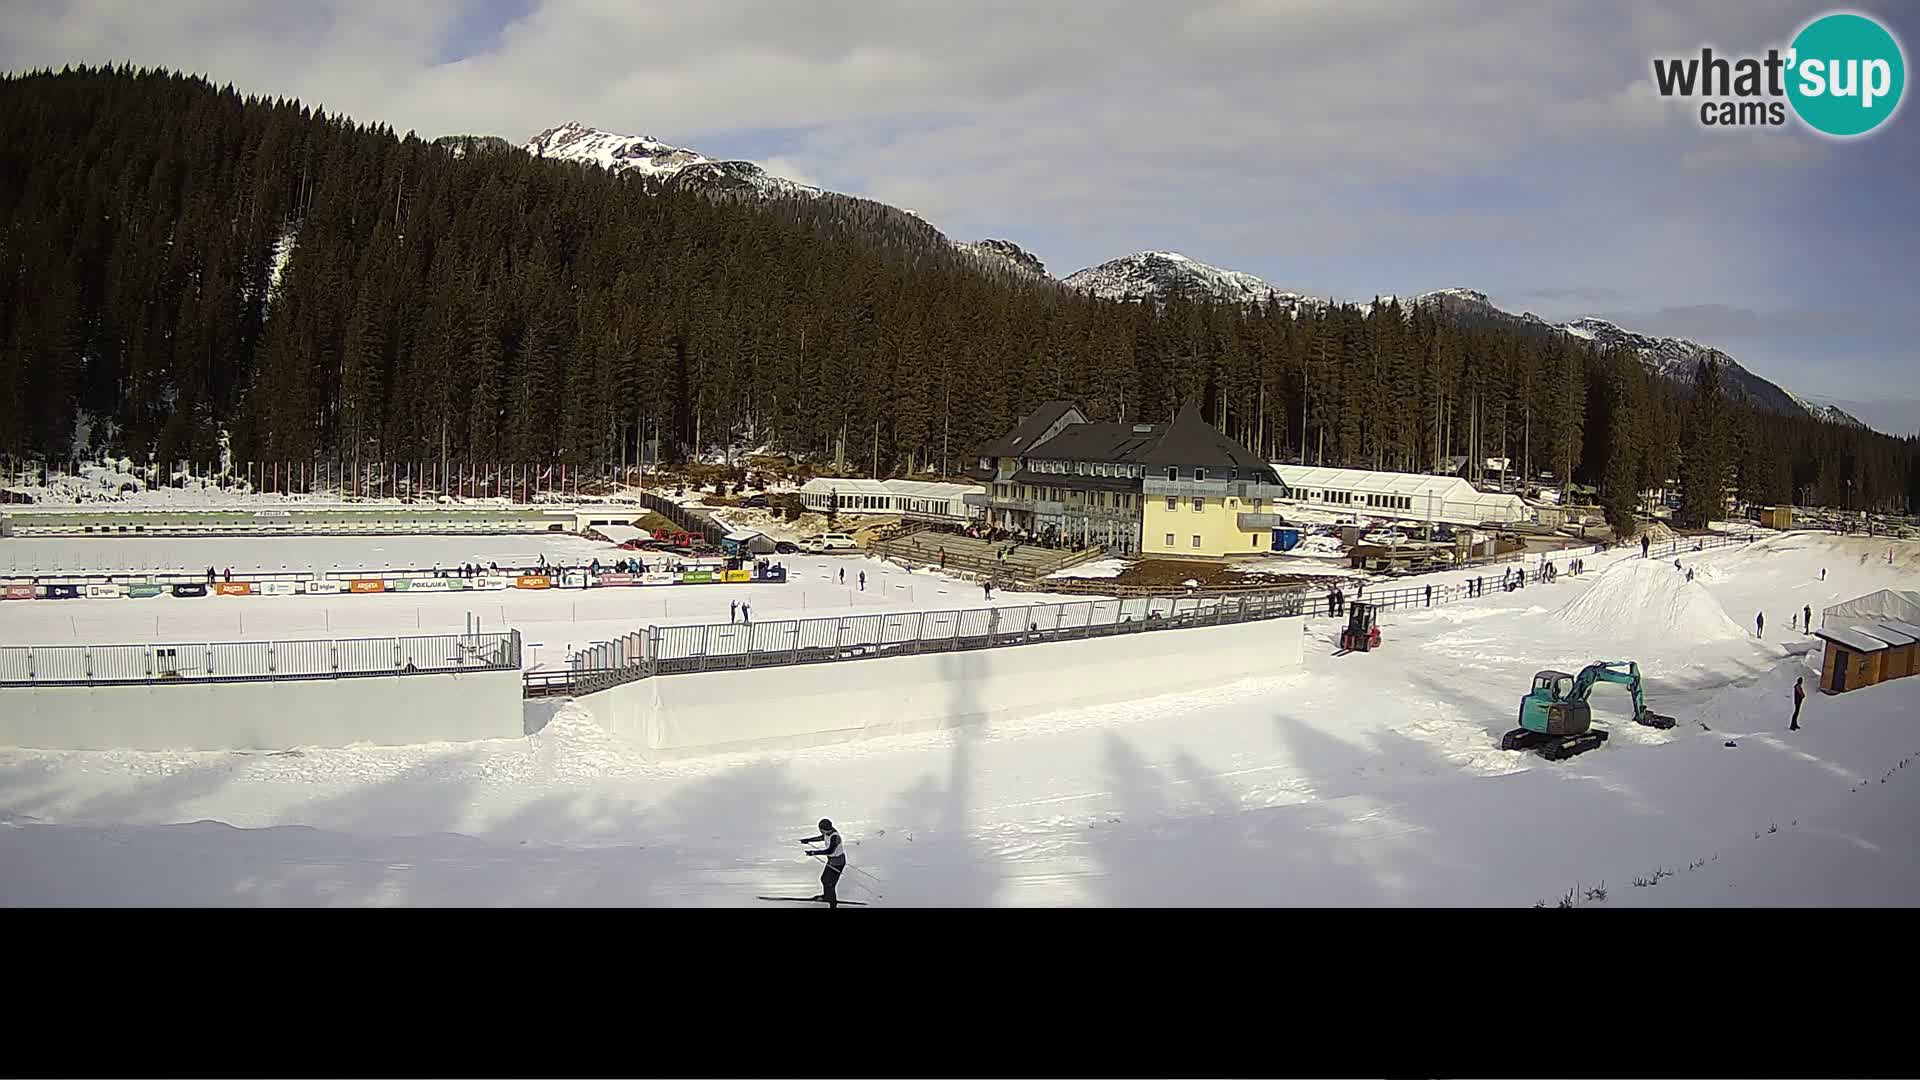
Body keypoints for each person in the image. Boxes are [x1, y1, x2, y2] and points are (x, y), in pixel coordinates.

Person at [800, 818, 848, 908]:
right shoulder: (828, 832)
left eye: (820, 829)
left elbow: (830, 851)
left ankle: (832, 903)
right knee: (824, 879)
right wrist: (808, 840)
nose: (820, 831)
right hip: (832, 861)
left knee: (830, 884)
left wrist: (814, 852)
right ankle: (827, 897)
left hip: (838, 862)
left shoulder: (835, 836)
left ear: (823, 829)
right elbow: (822, 838)